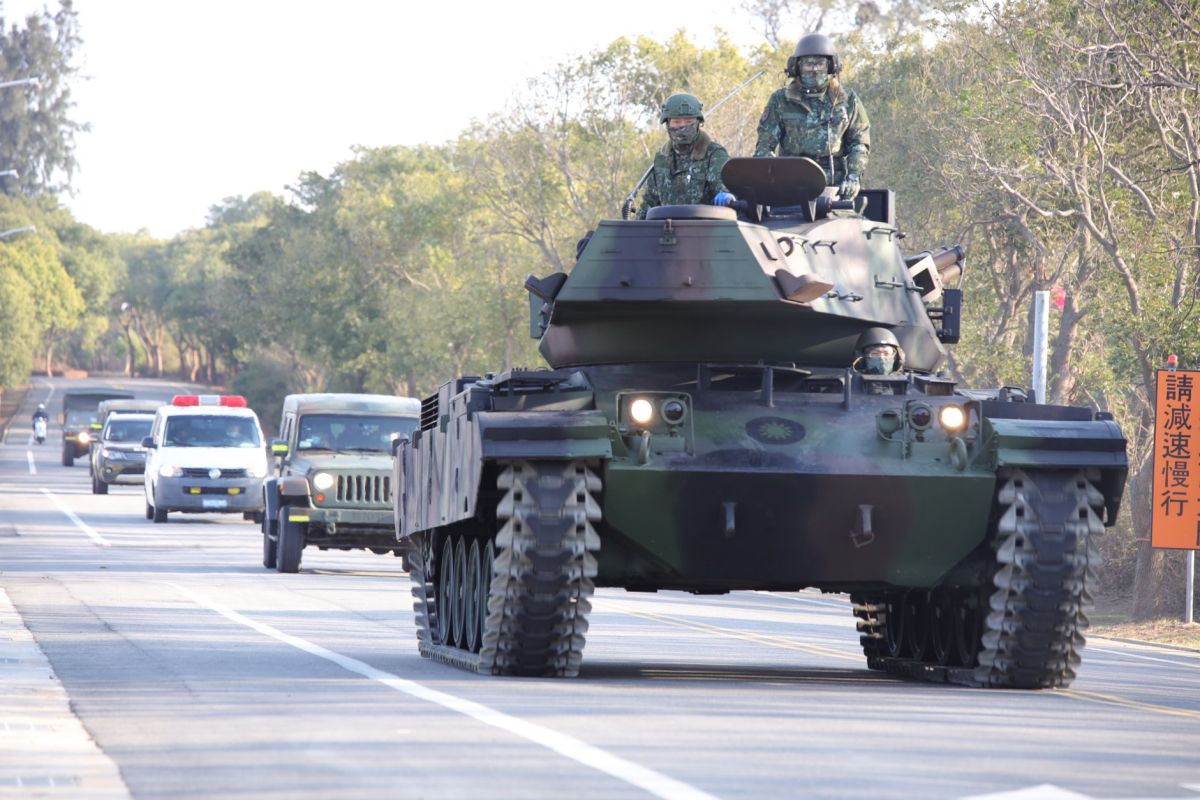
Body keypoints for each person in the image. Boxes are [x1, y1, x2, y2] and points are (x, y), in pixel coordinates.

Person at [754, 33, 870, 200]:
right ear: (797, 67)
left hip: (834, 189)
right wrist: (767, 180)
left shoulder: (847, 100)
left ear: (831, 67)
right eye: (808, 64)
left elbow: (859, 143)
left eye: (820, 64)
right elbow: (764, 146)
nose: (814, 70)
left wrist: (853, 177)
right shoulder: (780, 100)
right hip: (789, 185)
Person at [636, 93, 736, 219]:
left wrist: (725, 195)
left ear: (698, 123)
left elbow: (722, 186)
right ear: (667, 124)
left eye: (689, 122)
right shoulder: (662, 158)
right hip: (666, 231)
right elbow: (649, 202)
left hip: (704, 231)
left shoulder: (714, 154)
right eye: (677, 122)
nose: (682, 127)